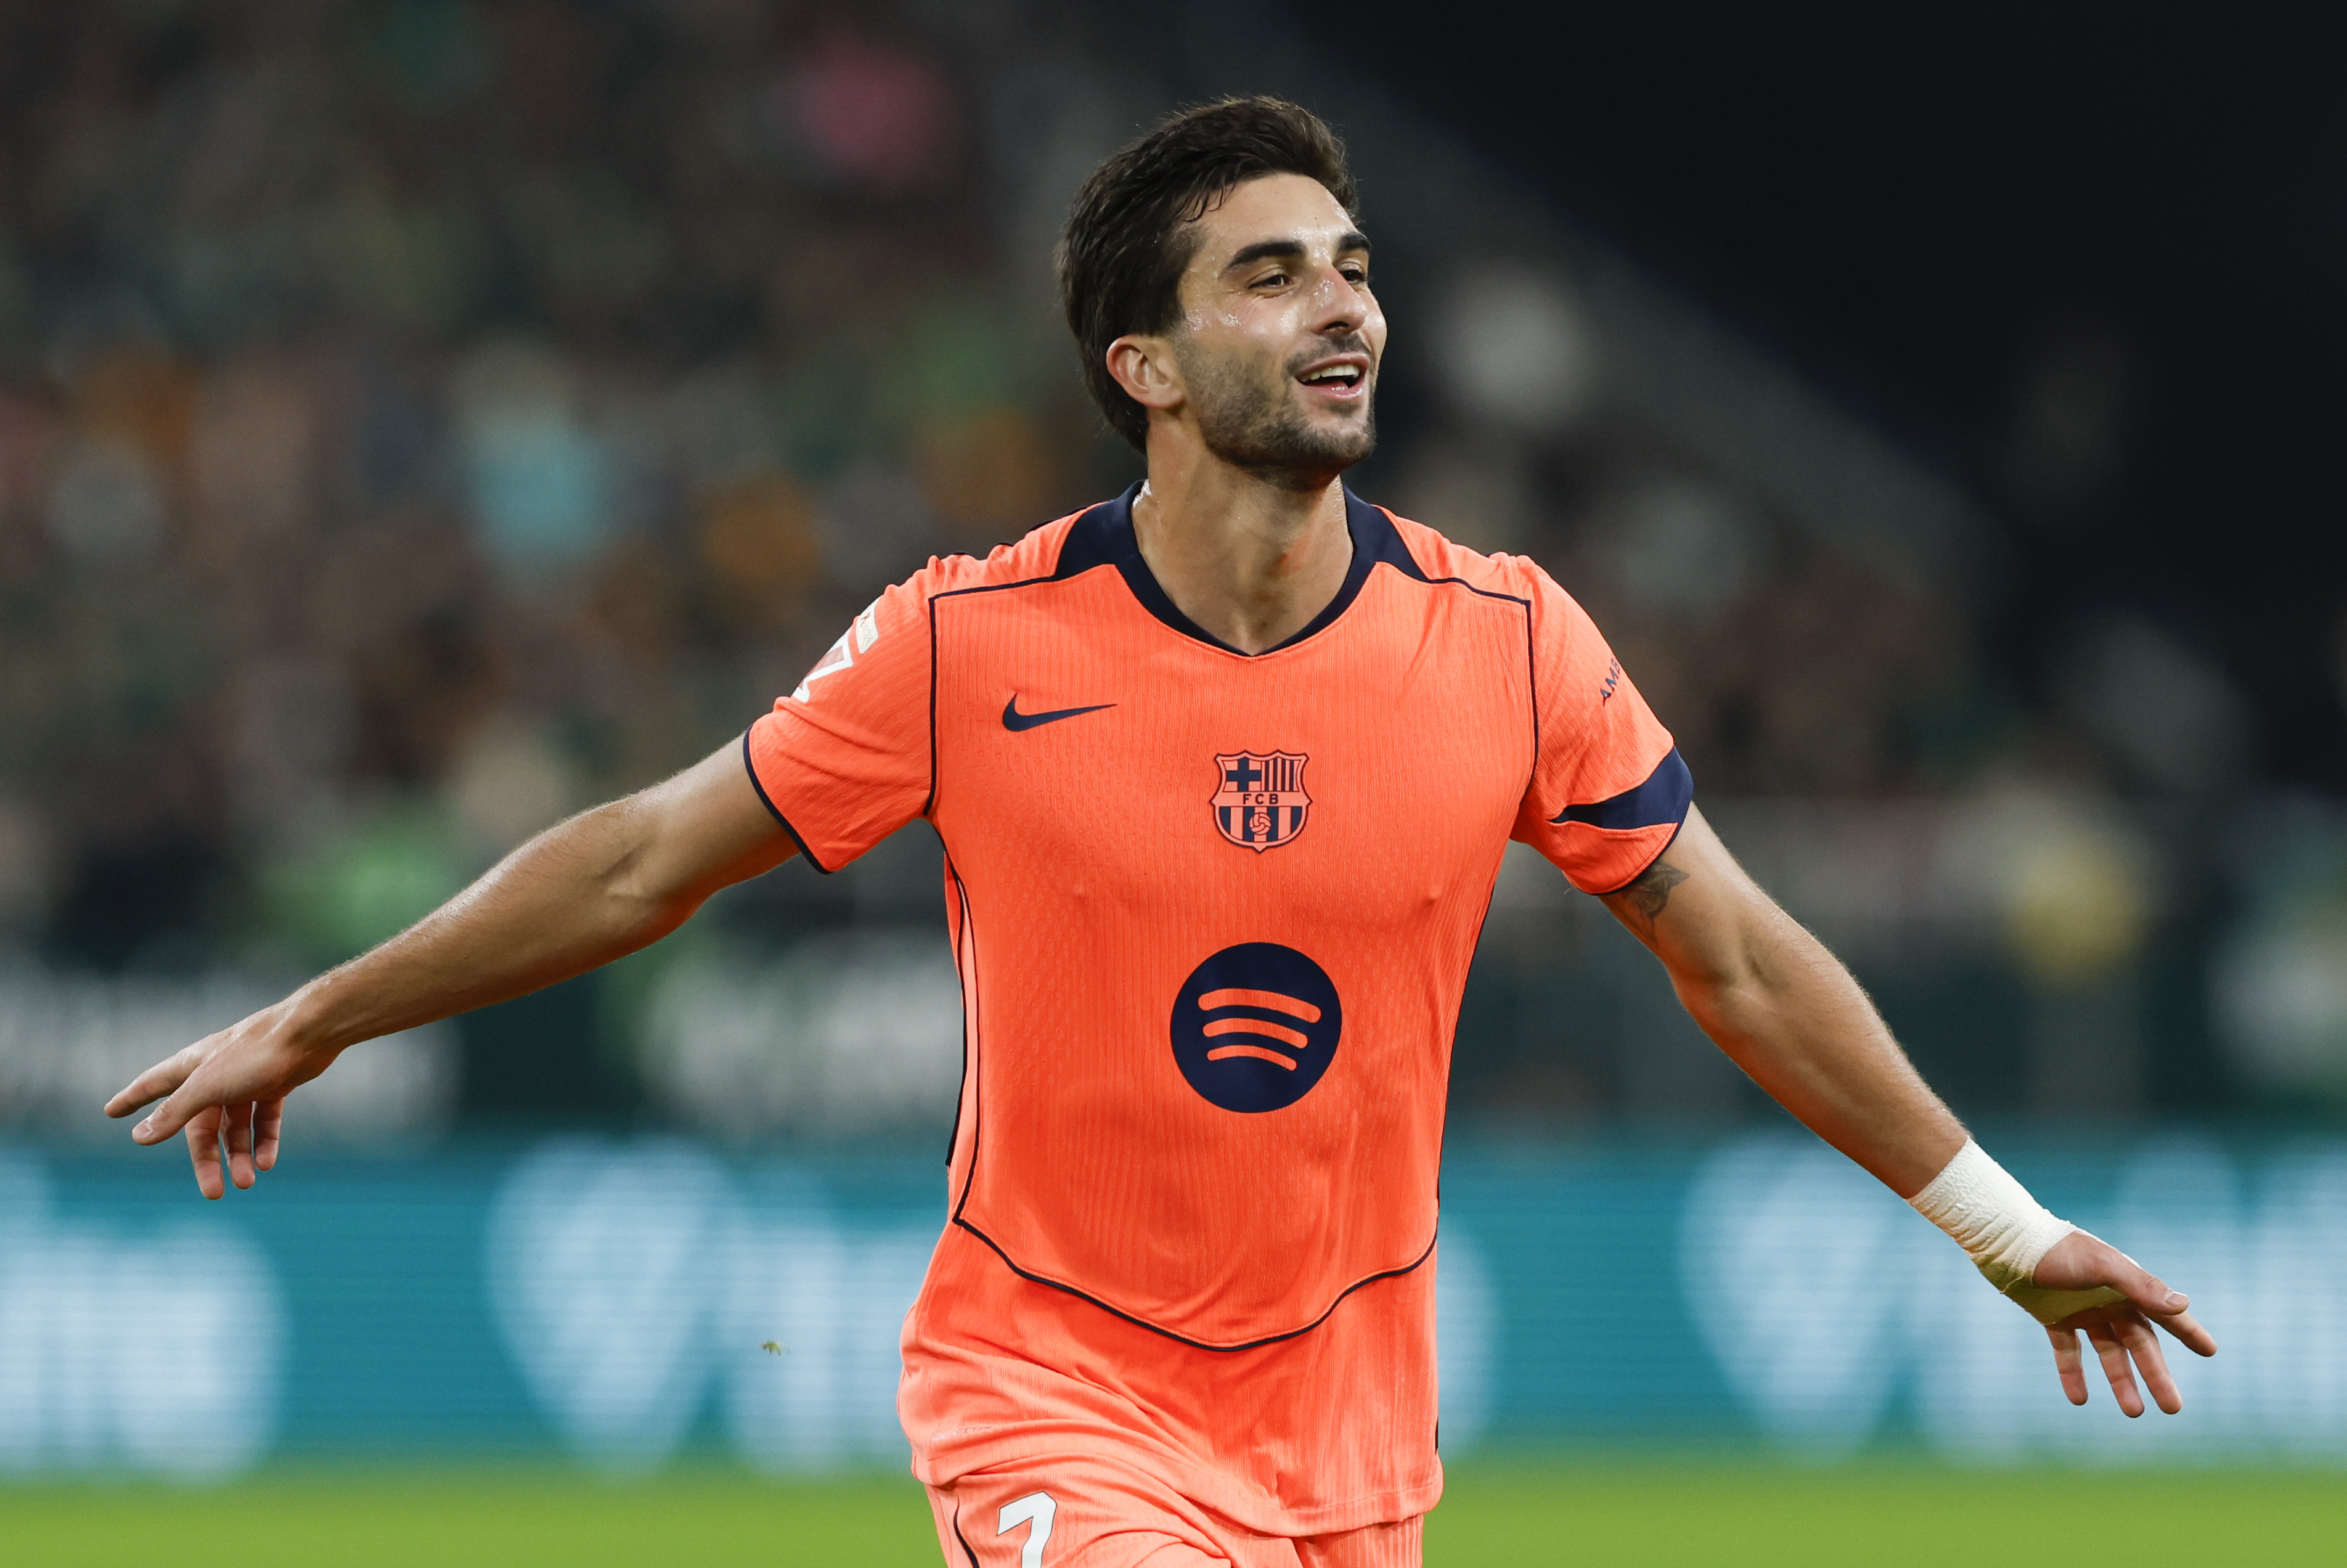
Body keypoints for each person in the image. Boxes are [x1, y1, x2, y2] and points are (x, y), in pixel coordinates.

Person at [109, 98, 2215, 1568]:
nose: (1344, 309)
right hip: (1050, 1392)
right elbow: (646, 858)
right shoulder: (967, 642)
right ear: (1147, 364)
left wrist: (2009, 1235)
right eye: (1271, 276)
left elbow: (1733, 954)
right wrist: (320, 1012)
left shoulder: (1510, 644)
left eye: (1354, 269)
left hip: (1353, 1449)